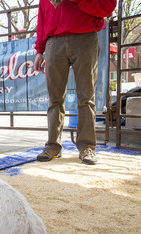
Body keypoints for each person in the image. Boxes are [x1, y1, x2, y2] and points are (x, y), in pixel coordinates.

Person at [33, 0, 116, 165]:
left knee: (86, 97)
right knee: (54, 99)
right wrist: (39, 51)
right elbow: (41, 21)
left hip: (84, 38)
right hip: (54, 42)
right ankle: (53, 146)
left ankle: (87, 147)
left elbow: (107, 7)